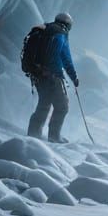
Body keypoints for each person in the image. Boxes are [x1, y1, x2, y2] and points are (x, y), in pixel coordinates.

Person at [21, 12, 78, 143]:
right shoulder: (61, 34)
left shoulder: (43, 30)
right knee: (62, 106)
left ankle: (34, 134)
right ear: (68, 25)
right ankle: (54, 136)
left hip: (37, 74)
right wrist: (74, 77)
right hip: (53, 76)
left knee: (44, 103)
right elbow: (66, 59)